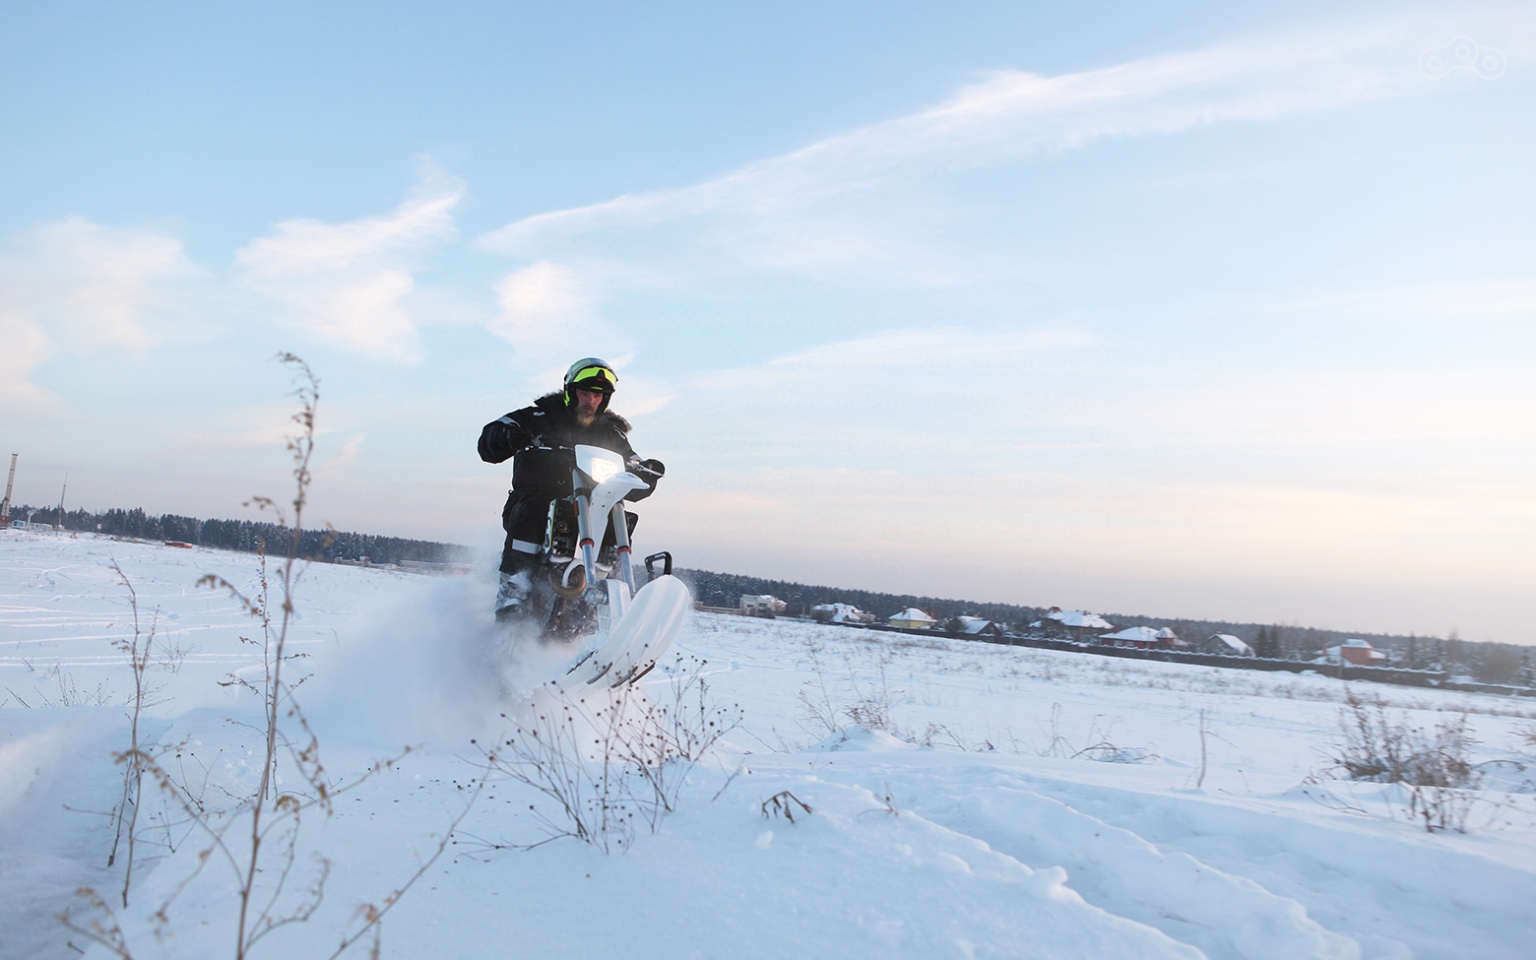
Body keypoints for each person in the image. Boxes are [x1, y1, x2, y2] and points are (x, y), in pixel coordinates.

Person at [478, 358, 662, 624]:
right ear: (570, 391)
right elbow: (489, 439)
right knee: (535, 509)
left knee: (617, 513)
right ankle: (513, 587)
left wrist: (644, 471)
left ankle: (611, 594)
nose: (591, 400)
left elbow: (631, 459)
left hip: (592, 503)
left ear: (605, 398)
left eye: (597, 395)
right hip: (537, 498)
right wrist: (507, 436)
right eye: (585, 393)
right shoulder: (537, 416)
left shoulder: (611, 432)